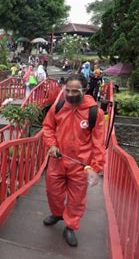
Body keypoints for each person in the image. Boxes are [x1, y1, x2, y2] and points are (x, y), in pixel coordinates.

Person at [42, 74, 105, 247]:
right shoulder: (59, 105)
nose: (70, 94)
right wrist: (51, 145)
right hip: (58, 160)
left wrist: (96, 167)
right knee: (52, 191)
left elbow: (99, 143)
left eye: (74, 90)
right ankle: (57, 213)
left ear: (84, 90)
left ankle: (70, 226)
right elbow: (48, 127)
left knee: (76, 199)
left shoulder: (95, 113)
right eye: (67, 90)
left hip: (80, 165)